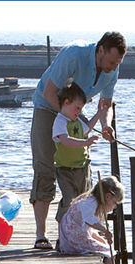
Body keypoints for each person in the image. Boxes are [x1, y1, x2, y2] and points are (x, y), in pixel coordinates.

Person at [30, 31, 126, 250]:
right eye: (111, 61)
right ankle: (40, 235)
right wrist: (71, 119)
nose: (113, 66)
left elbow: (106, 104)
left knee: (80, 170)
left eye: (117, 63)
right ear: (100, 49)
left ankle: (67, 234)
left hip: (75, 112)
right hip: (48, 107)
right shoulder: (73, 54)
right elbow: (49, 92)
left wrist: (106, 125)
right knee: (45, 168)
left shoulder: (113, 69)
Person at [52, 82, 101, 250]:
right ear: (66, 103)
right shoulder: (60, 121)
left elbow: (88, 128)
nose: (79, 112)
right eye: (77, 108)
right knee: (69, 200)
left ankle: (80, 236)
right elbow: (66, 141)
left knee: (82, 201)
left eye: (81, 109)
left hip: (82, 167)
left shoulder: (77, 121)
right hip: (65, 169)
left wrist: (99, 113)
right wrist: (86, 143)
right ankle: (62, 234)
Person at [57, 175, 123, 264]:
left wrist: (102, 237)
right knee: (110, 254)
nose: (114, 207)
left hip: (74, 235)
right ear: (107, 196)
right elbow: (90, 221)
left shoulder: (90, 201)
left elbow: (88, 228)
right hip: (74, 239)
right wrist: (105, 231)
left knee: (104, 244)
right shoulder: (89, 203)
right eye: (114, 203)